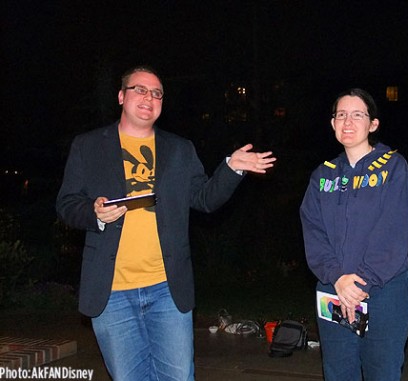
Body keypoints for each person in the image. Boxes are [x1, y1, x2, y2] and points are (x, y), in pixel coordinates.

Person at [56, 65, 275, 380]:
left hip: (167, 290)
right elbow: (66, 204)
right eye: (140, 90)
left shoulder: (179, 149)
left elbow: (204, 199)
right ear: (121, 96)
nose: (149, 97)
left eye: (157, 93)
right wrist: (94, 213)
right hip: (112, 292)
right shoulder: (88, 146)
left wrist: (231, 169)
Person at [300, 88, 408, 380]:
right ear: (332, 123)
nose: (347, 122)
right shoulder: (322, 176)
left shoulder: (393, 167)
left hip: (384, 290)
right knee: (338, 373)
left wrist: (362, 282)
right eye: (341, 115)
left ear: (372, 124)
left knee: (383, 372)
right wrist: (337, 277)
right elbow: (313, 230)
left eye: (357, 115)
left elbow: (394, 231)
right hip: (333, 289)